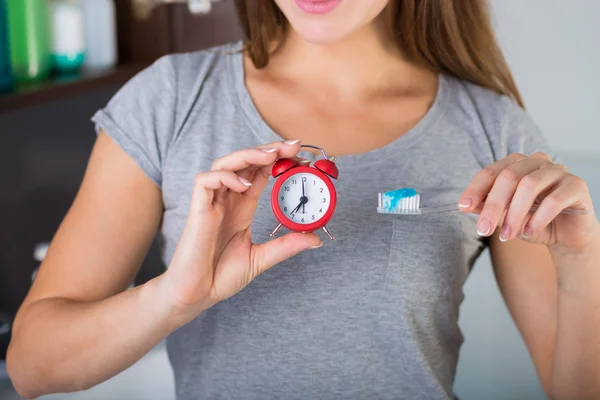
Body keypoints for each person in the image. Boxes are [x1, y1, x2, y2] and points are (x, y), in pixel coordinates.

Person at [7, 0, 600, 399]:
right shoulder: (170, 99)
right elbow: (31, 366)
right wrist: (174, 298)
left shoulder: (494, 130)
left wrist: (581, 258)